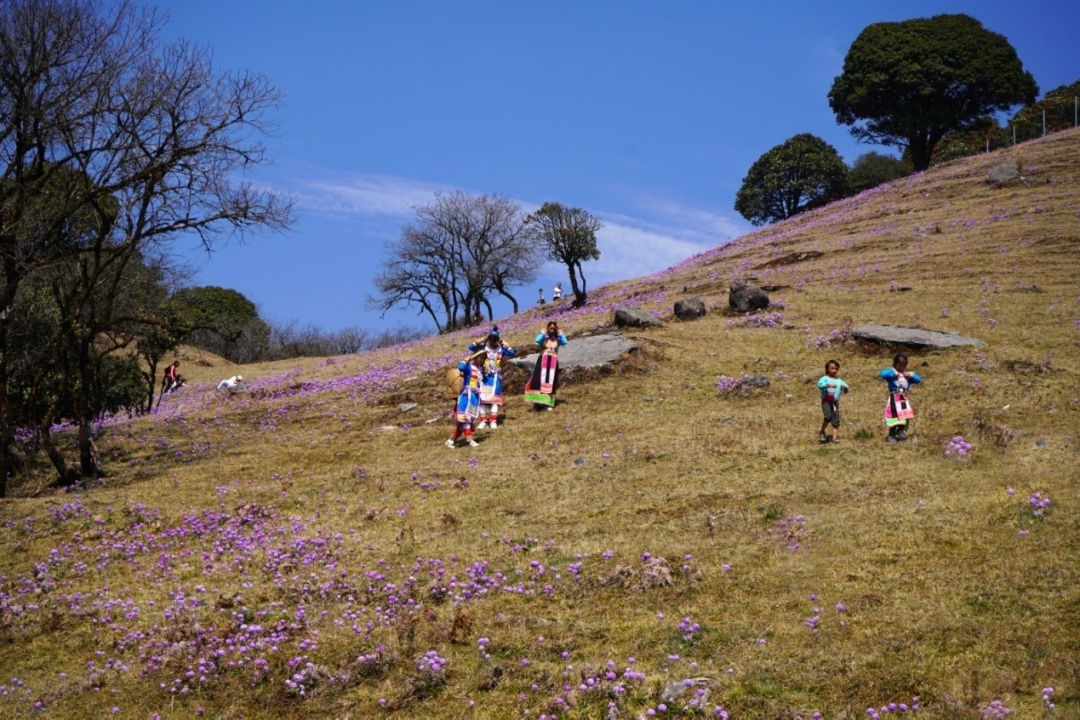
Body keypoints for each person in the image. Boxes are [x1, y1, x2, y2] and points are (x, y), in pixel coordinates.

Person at [468, 328, 514, 430]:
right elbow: (471, 347)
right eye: (491, 339)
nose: (493, 342)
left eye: (495, 339)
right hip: (484, 377)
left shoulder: (501, 349)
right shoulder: (484, 347)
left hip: (495, 377)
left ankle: (493, 420)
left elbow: (511, 352)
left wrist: (505, 344)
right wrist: (480, 340)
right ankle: (483, 420)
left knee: (495, 399)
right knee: (482, 399)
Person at [524, 321, 567, 410]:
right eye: (550, 329)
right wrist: (542, 331)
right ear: (547, 329)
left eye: (553, 329)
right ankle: (537, 403)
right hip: (542, 361)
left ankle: (547, 403)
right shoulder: (543, 338)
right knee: (538, 381)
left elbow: (564, 342)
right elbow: (537, 340)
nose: (552, 331)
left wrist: (560, 332)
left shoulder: (557, 340)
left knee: (550, 382)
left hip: (553, 363)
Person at [881, 353, 921, 442]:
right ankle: (891, 434)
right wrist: (893, 372)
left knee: (904, 415)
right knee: (894, 416)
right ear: (895, 364)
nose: (901, 367)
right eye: (899, 365)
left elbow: (918, 380)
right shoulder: (892, 375)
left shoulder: (906, 376)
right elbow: (883, 374)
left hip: (903, 399)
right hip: (894, 398)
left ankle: (900, 431)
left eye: (903, 366)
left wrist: (911, 374)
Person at [447, 352, 483, 448]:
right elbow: (461, 368)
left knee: (465, 422)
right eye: (480, 357)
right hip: (466, 396)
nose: (482, 360)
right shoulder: (469, 367)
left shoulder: (480, 369)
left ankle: (450, 441)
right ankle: (470, 440)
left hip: (474, 397)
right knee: (465, 419)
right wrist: (465, 360)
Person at [817, 359, 850, 443]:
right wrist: (828, 385)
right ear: (827, 369)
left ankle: (834, 438)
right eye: (832, 368)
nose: (834, 370)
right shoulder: (825, 378)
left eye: (836, 369)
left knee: (835, 420)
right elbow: (820, 385)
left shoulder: (838, 380)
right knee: (828, 417)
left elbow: (846, 386)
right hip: (826, 401)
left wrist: (845, 388)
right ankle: (822, 431)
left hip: (835, 403)